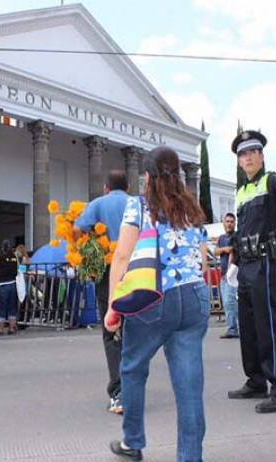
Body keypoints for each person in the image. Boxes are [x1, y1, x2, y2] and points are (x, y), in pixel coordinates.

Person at [105, 147, 209, 461]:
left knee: (133, 367)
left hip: (155, 297)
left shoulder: (139, 205)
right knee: (189, 383)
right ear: (177, 174)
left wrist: (114, 305)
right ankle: (190, 456)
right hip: (194, 295)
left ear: (147, 176)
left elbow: (122, 256)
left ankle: (132, 442)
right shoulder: (192, 207)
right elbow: (202, 261)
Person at [227, 130, 276, 414]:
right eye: (242, 154)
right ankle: (255, 380)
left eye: (251, 152)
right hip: (245, 265)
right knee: (248, 326)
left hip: (265, 261)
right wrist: (233, 263)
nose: (247, 158)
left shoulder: (270, 182)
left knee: (268, 325)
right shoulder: (242, 192)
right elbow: (240, 231)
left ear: (261, 155)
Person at [74, 170, 130, 415]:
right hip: (139, 271)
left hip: (109, 271)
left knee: (112, 329)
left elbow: (77, 230)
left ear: (107, 187)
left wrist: (91, 245)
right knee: (135, 330)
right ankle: (134, 385)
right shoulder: (136, 204)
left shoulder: (98, 204)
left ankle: (119, 393)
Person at [215, 213, 239, 338]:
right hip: (223, 274)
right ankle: (233, 327)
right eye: (227, 221)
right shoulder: (222, 238)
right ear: (224, 223)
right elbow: (216, 251)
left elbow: (233, 252)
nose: (229, 223)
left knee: (230, 301)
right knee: (227, 302)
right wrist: (224, 249)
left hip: (232, 274)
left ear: (235, 223)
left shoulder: (237, 236)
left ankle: (235, 328)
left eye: (231, 221)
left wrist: (230, 271)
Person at [0, 240, 19, 335]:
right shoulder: (14, 257)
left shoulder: (0, 256)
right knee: (12, 306)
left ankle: (1, 329)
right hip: (13, 283)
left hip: (3, 284)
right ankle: (12, 328)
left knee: (3, 307)